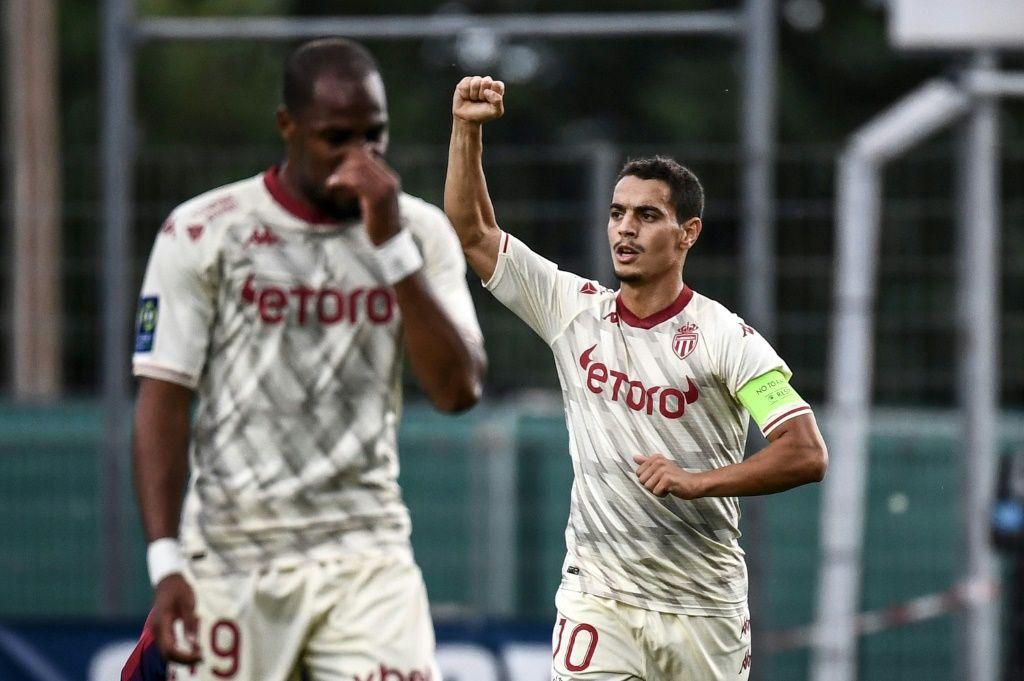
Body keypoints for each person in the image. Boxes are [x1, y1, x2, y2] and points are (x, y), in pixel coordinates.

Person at [121, 38, 486, 681]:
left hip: (364, 550)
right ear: (287, 128)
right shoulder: (205, 231)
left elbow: (458, 391)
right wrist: (166, 561)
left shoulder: (418, 232)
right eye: (335, 139)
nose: (360, 158)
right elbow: (163, 401)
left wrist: (391, 247)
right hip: (235, 552)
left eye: (375, 137)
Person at [444, 76, 827, 680]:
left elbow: (806, 453)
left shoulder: (727, 339)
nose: (625, 229)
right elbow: (473, 230)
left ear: (688, 233)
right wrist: (466, 129)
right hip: (599, 598)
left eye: (647, 216)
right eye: (618, 213)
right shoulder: (571, 310)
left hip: (704, 609)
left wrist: (699, 483)